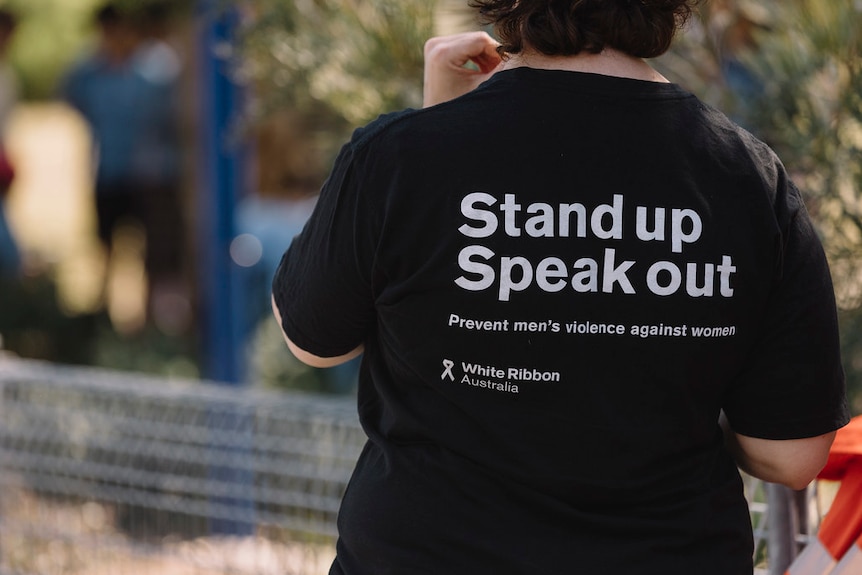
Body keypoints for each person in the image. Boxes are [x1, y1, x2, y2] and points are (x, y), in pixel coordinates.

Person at [271, 1, 850, 573]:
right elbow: (792, 453)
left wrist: (442, 130)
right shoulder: (751, 178)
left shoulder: (395, 159)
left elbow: (315, 341)